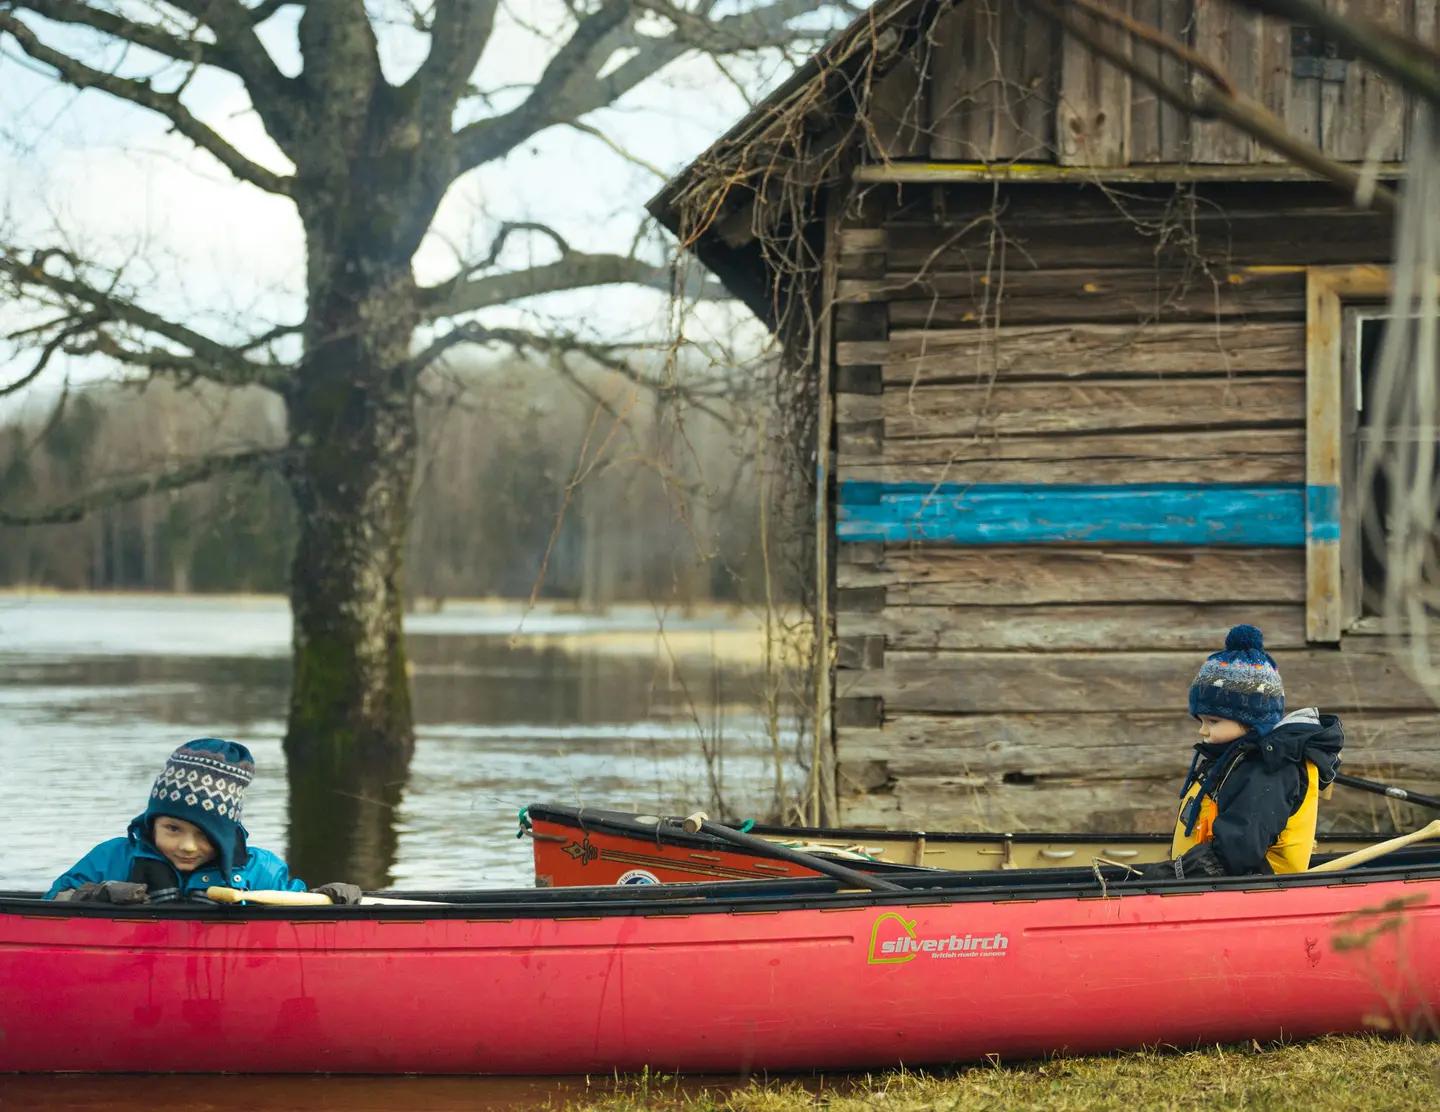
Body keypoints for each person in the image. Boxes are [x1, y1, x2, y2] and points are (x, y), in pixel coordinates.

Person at [45, 738, 362, 905]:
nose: (186, 845)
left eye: (204, 834)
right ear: (152, 822)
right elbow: (53, 901)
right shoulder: (112, 858)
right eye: (173, 829)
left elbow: (299, 908)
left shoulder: (260, 870)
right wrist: (97, 894)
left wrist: (327, 897)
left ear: (225, 835)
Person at [1138, 624, 1345, 881]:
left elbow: (1237, 850)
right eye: (1200, 720)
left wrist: (1170, 876)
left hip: (1256, 898)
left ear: (1252, 721)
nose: (1202, 731)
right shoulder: (1231, 759)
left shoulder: (1270, 770)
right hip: (1207, 892)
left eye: (1212, 721)